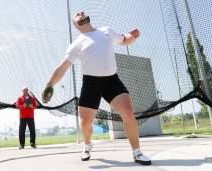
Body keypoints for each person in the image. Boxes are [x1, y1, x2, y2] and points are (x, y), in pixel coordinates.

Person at [42, 11, 151, 165]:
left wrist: (133, 36)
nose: (80, 13)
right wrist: (50, 84)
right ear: (75, 24)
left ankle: (137, 152)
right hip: (91, 84)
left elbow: (123, 40)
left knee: (128, 113)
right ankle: (87, 145)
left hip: (112, 81)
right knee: (85, 123)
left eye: (82, 12)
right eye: (77, 14)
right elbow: (63, 67)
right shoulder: (76, 44)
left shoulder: (105, 30)